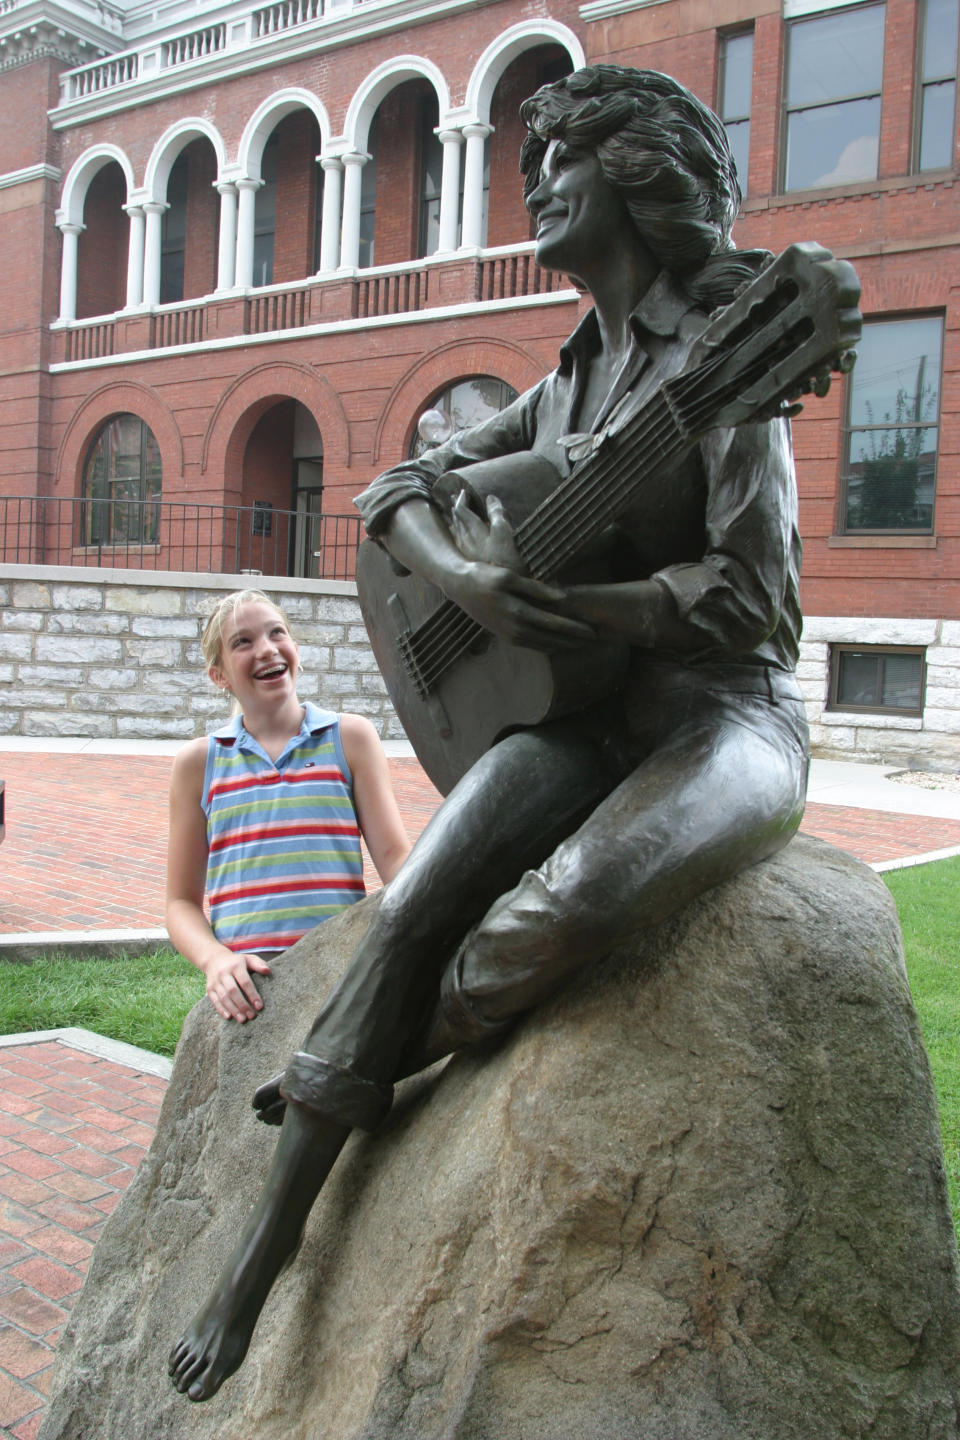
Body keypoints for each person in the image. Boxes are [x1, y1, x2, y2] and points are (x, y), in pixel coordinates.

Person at [169, 66, 811, 1402]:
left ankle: (376, 1056)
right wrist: (470, 584)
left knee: (569, 905)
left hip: (718, 716)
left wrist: (608, 605)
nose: (531, 191)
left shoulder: (734, 347)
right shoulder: (570, 372)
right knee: (409, 913)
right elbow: (398, 486)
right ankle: (256, 1261)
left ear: (631, 178)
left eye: (556, 167)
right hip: (577, 715)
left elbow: (762, 601)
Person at [165, 589, 411, 1024]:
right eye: (242, 642)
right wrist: (215, 961)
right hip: (252, 993)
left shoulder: (350, 738)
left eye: (276, 633)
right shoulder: (199, 764)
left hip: (340, 978)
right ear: (218, 675)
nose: (266, 649)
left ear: (295, 649)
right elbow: (180, 902)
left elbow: (394, 857)